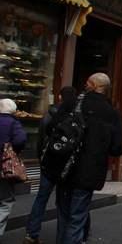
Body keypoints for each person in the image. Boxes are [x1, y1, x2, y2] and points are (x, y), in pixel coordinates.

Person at [55, 73, 122, 244]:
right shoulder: (113, 113)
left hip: (64, 166)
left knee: (63, 215)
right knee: (77, 218)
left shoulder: (72, 104)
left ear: (93, 85)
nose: (85, 85)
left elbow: (53, 128)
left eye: (87, 82)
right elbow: (117, 148)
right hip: (89, 171)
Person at [23, 86, 77, 244]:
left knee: (41, 198)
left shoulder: (49, 115)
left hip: (48, 163)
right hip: (65, 166)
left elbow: (40, 141)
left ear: (59, 97)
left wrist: (42, 159)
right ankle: (62, 237)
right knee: (63, 202)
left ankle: (32, 233)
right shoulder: (74, 117)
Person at [0, 98, 26, 237]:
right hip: (4, 166)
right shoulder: (14, 123)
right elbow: (20, 140)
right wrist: (12, 149)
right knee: (5, 200)